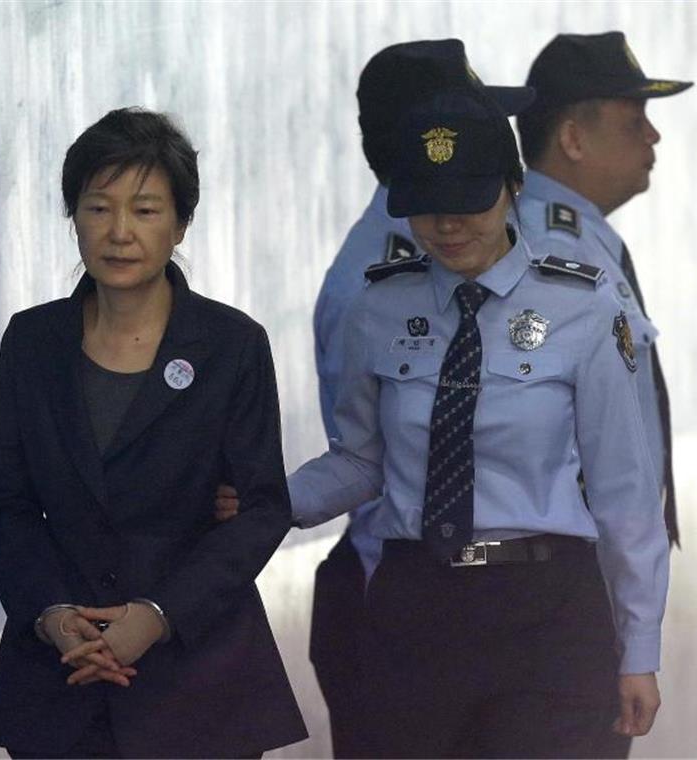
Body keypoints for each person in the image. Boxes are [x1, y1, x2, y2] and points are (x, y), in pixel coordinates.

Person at [284, 88, 670, 757]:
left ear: (513, 187)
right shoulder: (376, 309)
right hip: (415, 605)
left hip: (547, 607)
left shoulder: (581, 308)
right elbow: (358, 461)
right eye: (428, 208)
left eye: (470, 202)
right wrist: (265, 498)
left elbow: (624, 492)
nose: (449, 225)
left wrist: (639, 646)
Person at [226, 40, 535, 758]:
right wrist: (272, 499)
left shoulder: (502, 270)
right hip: (397, 606)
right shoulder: (371, 290)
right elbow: (368, 460)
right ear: (428, 147)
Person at [0, 107, 307, 759]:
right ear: (74, 215)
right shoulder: (32, 343)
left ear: (181, 223)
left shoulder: (231, 345)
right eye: (99, 208)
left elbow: (262, 508)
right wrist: (51, 615)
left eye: (146, 211)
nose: (119, 232)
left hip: (200, 677)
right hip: (61, 678)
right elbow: (5, 504)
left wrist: (158, 616)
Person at [516, 31, 692, 552]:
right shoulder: (548, 251)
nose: (654, 136)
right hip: (578, 560)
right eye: (634, 122)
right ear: (572, 139)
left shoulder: (583, 240)